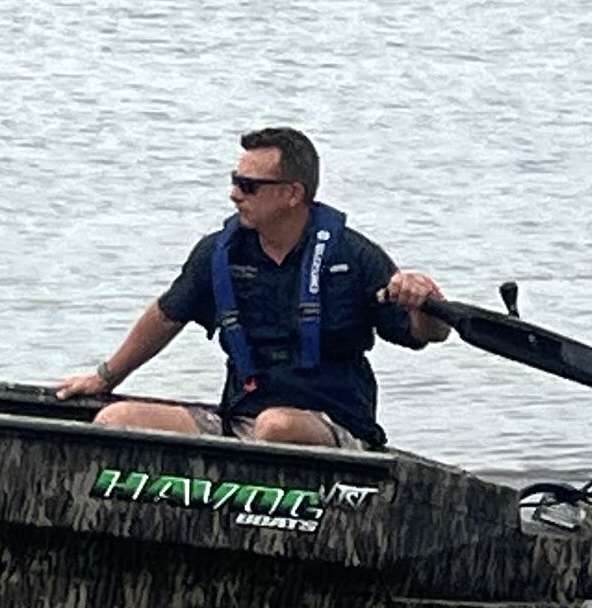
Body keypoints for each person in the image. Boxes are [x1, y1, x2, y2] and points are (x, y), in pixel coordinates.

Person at [55, 127, 450, 448]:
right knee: (116, 419)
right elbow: (165, 316)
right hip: (240, 422)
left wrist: (423, 303)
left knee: (276, 427)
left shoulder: (353, 256)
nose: (234, 194)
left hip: (332, 428)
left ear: (292, 194)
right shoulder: (218, 254)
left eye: (248, 185)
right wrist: (104, 378)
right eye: (234, 181)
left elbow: (427, 334)